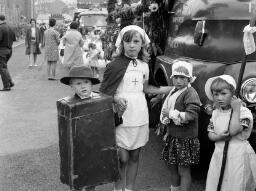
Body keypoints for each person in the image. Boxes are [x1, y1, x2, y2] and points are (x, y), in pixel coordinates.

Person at [100, 25, 172, 191]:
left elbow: (147, 89)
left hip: (139, 115)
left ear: (142, 45)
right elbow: (104, 92)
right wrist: (116, 97)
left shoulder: (144, 66)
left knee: (135, 156)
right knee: (121, 158)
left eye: (135, 41)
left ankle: (129, 188)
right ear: (122, 44)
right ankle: (117, 188)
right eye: (128, 41)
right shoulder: (114, 65)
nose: (131, 45)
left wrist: (173, 89)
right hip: (121, 116)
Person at [204, 75, 256, 191]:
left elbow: (233, 131)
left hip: (238, 156)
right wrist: (218, 137)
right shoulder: (215, 113)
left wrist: (236, 109)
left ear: (233, 93)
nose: (219, 98)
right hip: (219, 154)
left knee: (235, 184)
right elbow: (210, 134)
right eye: (216, 94)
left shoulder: (244, 113)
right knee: (218, 183)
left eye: (223, 93)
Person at [160, 60, 201, 191]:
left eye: (182, 77)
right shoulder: (174, 91)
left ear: (189, 79)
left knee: (183, 170)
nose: (178, 80)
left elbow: (191, 115)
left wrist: (171, 114)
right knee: (172, 168)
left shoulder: (190, 93)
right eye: (176, 77)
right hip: (174, 137)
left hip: (184, 139)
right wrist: (167, 130)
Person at [60, 65, 101, 191]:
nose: (83, 86)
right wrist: (63, 149)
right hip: (77, 149)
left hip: (95, 147)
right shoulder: (69, 105)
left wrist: (119, 113)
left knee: (92, 179)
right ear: (71, 86)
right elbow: (64, 131)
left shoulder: (100, 101)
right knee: (76, 179)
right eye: (78, 83)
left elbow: (108, 124)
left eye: (86, 82)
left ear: (91, 84)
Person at [0, 14, 15, 91]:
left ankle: (6, 86)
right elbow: (14, 39)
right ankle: (10, 82)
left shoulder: (0, 28)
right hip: (10, 50)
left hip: (2, 51)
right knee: (4, 67)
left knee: (2, 68)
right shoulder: (10, 27)